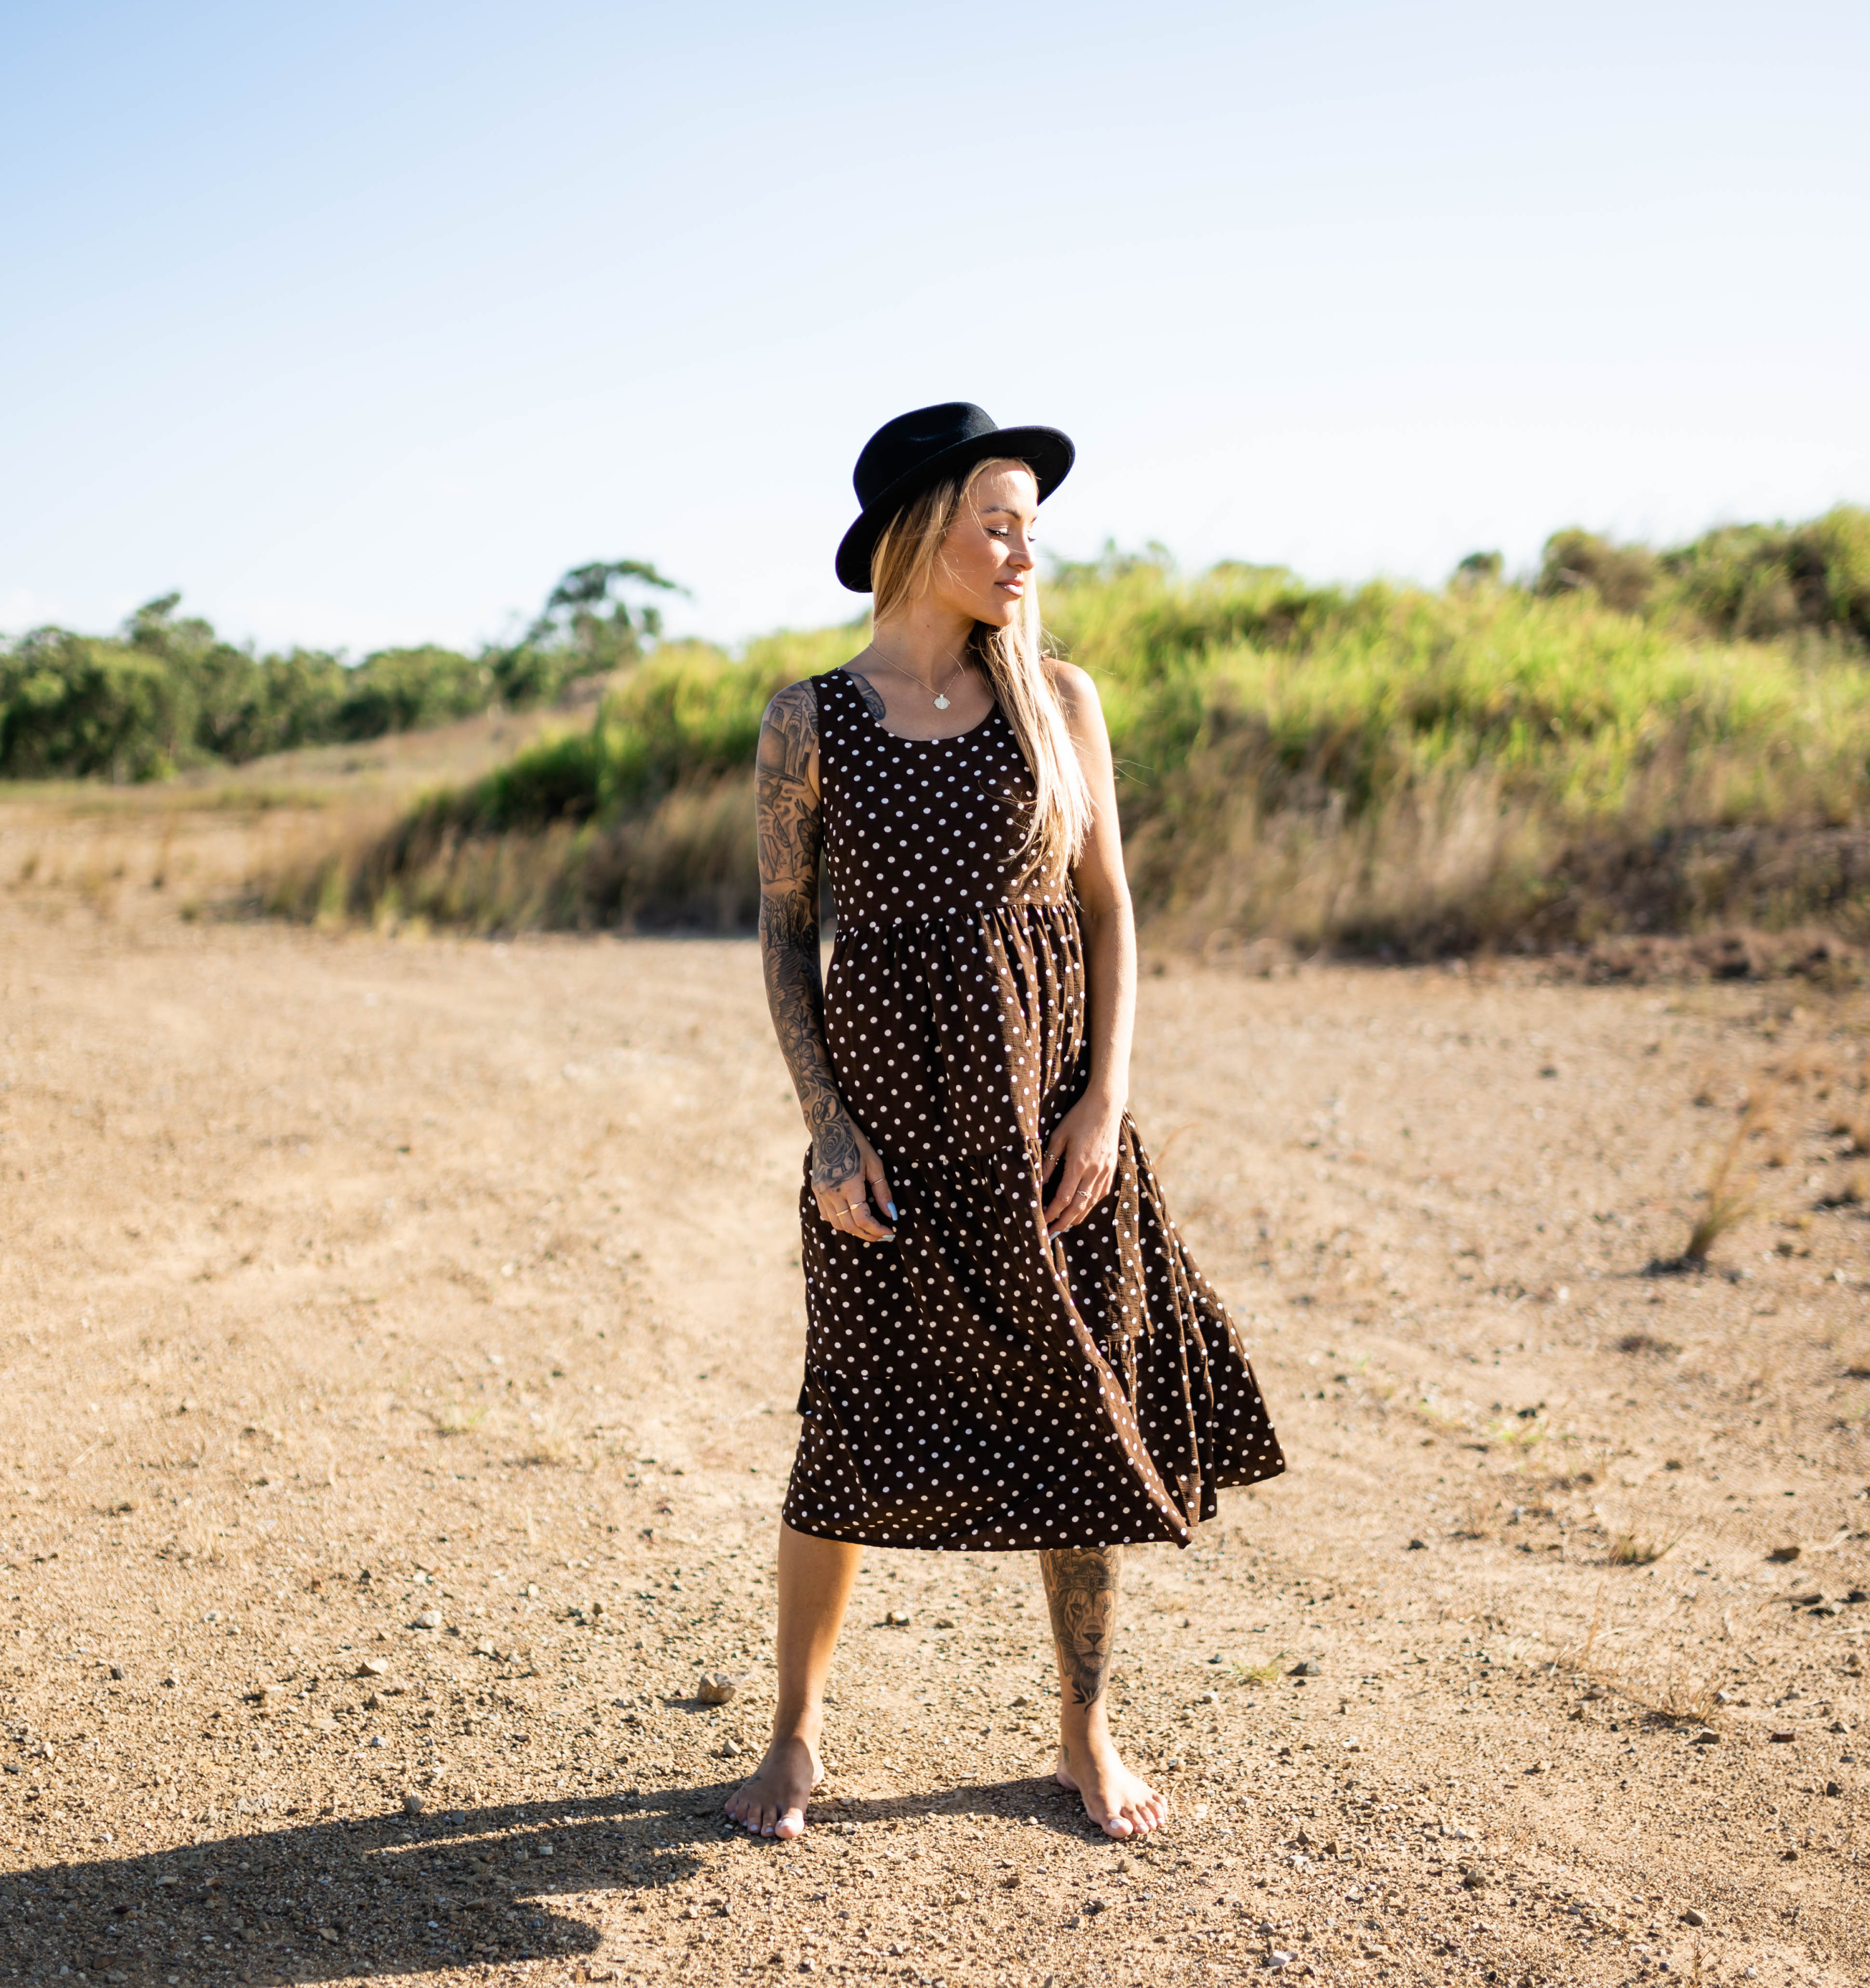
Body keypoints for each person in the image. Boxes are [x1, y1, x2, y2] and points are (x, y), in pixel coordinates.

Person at [728, 403, 1284, 1842]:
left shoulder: (1059, 699)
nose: (1023, 548)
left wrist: (1105, 1101)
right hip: (891, 1130)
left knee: (1081, 1415)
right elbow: (788, 940)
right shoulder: (810, 719)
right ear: (920, 531)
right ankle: (792, 1736)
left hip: (1047, 1117)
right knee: (846, 1418)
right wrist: (827, 1129)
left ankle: (1084, 1739)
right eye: (997, 518)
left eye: (1031, 522)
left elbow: (1108, 913)